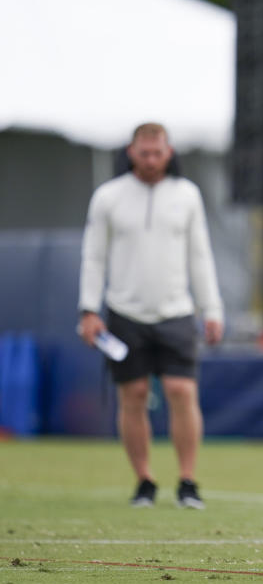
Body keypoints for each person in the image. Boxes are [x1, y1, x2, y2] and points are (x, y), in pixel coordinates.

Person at [78, 123, 223, 509]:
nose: (151, 161)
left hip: (176, 311)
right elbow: (93, 256)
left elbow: (200, 255)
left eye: (158, 153)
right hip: (124, 313)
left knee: (181, 391)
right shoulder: (108, 197)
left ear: (168, 151)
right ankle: (144, 480)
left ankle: (188, 481)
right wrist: (89, 310)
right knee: (134, 395)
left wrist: (211, 308)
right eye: (144, 153)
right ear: (131, 152)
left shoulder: (187, 195)